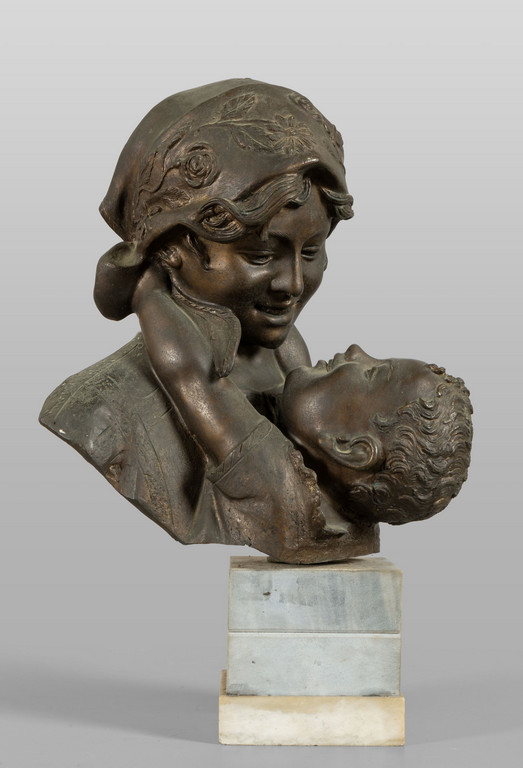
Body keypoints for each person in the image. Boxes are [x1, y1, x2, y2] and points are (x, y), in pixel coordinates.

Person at [41, 80, 383, 562]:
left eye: (311, 252)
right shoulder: (100, 408)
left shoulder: (300, 372)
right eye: (260, 255)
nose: (292, 284)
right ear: (172, 249)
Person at [132, 265, 472, 564]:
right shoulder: (315, 429)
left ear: (349, 447)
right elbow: (285, 347)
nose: (357, 351)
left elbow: (192, 377)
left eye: (372, 373)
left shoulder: (281, 485)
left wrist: (147, 289)